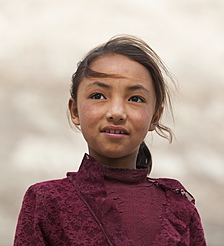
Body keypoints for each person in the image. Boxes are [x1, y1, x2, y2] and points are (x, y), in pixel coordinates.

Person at [13, 35, 207, 246]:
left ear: (155, 116)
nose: (116, 112)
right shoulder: (46, 201)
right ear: (75, 111)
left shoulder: (179, 207)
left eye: (135, 99)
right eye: (98, 96)